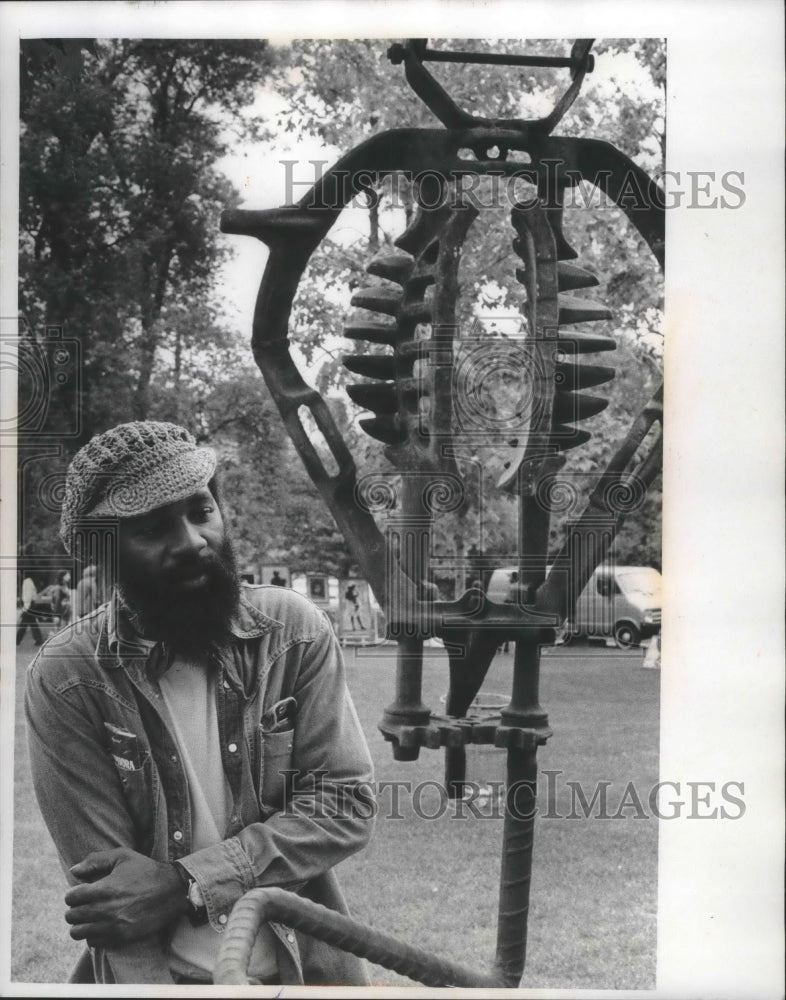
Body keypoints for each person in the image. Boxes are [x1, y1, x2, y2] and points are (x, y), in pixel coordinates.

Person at [25, 421, 374, 986]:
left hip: (307, 971)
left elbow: (344, 804)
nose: (190, 541)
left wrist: (184, 881)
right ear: (102, 552)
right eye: (151, 527)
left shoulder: (293, 633)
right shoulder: (68, 679)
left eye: (200, 510)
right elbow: (112, 904)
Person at [17, 574, 44, 646]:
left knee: (25, 623)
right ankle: (39, 640)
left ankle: (17, 640)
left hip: (29, 605)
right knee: (31, 623)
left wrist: (25, 608)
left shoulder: (27, 582)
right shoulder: (27, 582)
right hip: (31, 605)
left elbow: (28, 597)